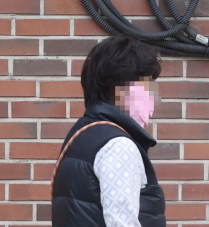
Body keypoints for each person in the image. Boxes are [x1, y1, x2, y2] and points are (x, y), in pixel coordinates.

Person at [51, 34, 166, 227]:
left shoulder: (81, 135)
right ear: (118, 88)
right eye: (146, 86)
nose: (152, 97)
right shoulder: (118, 145)